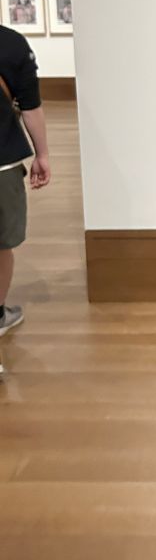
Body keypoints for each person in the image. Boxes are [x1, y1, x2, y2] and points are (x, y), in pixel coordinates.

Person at [0, 25, 51, 342]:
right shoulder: (10, 43)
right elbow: (30, 107)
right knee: (1, 244)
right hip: (2, 162)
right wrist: (42, 155)